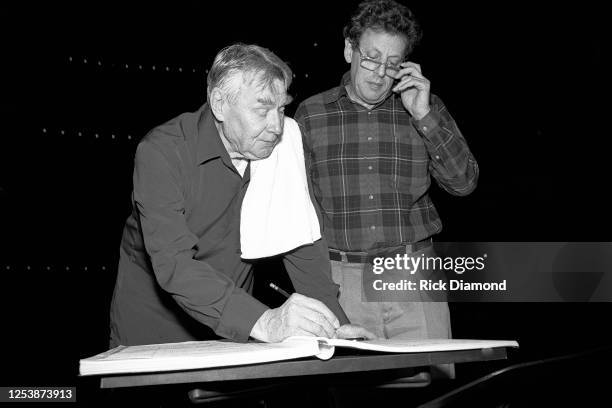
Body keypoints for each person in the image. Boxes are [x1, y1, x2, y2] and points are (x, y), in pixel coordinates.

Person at [109, 43, 371, 347]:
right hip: (155, 327)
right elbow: (175, 264)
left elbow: (303, 244)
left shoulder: (282, 146)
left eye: (281, 108)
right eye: (262, 109)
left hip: (233, 328)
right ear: (220, 103)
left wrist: (333, 325)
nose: (276, 127)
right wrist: (264, 321)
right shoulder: (163, 152)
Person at [295, 0, 478, 346]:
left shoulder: (425, 106)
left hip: (413, 274)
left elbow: (464, 183)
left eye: (392, 64)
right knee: (351, 390)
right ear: (349, 50)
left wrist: (423, 116)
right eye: (371, 57)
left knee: (428, 382)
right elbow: (297, 207)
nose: (380, 73)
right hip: (341, 280)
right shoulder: (310, 114)